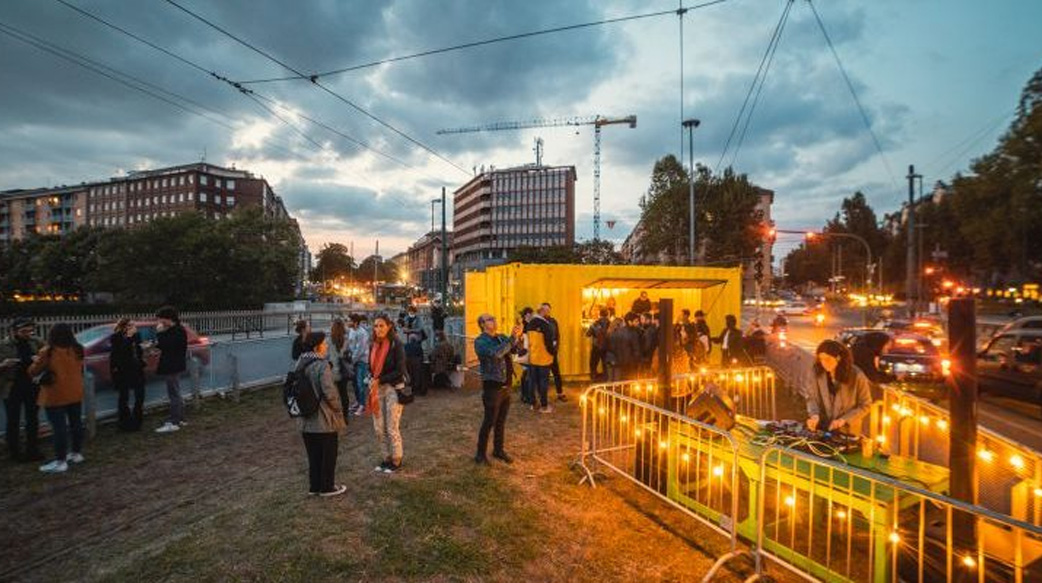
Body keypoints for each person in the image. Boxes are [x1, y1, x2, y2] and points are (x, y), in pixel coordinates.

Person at [295, 331, 347, 496]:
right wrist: (338, 409)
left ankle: (315, 486)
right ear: (317, 346)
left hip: (305, 418)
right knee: (328, 453)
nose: (326, 346)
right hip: (323, 418)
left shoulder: (300, 363)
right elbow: (329, 392)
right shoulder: (322, 365)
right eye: (324, 343)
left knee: (313, 455)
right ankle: (327, 487)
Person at [28, 324, 85, 473]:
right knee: (76, 424)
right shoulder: (78, 349)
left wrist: (35, 361)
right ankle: (76, 453)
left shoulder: (48, 351)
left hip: (55, 394)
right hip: (75, 391)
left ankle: (61, 461)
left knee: (59, 428)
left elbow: (33, 371)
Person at [473, 314, 523, 465]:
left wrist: (518, 338)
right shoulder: (480, 341)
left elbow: (515, 350)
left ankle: (498, 450)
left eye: (493, 318)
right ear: (482, 324)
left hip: (506, 385)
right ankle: (480, 455)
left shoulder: (501, 337)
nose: (494, 320)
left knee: (501, 421)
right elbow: (496, 354)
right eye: (489, 319)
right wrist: (511, 339)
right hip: (493, 387)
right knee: (489, 421)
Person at [806, 340, 873, 436]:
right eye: (821, 359)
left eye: (828, 359)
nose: (824, 363)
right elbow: (812, 398)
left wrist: (844, 420)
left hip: (848, 431)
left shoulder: (857, 375)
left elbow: (865, 405)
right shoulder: (817, 372)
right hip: (822, 427)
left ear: (838, 358)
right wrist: (814, 415)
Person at [0, 318, 45, 462]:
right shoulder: (3, 345)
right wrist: (3, 364)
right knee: (13, 420)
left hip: (32, 385)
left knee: (32, 418)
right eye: (24, 331)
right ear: (14, 331)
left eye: (30, 331)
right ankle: (14, 452)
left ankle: (32, 450)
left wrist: (39, 360)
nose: (27, 334)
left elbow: (47, 357)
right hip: (12, 386)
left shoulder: (36, 342)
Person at [369, 315, 408, 473]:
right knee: (379, 427)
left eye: (381, 326)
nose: (378, 329)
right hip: (377, 388)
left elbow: (400, 370)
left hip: (394, 386)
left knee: (392, 426)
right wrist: (371, 378)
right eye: (376, 326)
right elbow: (370, 366)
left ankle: (397, 459)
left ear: (389, 326)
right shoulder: (373, 345)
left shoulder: (396, 344)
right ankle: (385, 458)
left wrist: (380, 379)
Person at [154, 306, 188, 434]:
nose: (159, 322)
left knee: (173, 393)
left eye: (160, 319)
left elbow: (168, 346)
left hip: (172, 365)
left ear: (168, 318)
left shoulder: (177, 330)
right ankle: (180, 418)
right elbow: (165, 345)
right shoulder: (175, 329)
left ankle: (174, 422)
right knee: (176, 392)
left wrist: (159, 333)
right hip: (174, 364)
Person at [110, 318, 146, 431]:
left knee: (140, 395)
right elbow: (120, 352)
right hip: (123, 370)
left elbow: (139, 351)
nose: (133, 327)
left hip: (137, 368)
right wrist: (129, 337)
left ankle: (137, 421)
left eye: (134, 325)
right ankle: (125, 423)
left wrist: (144, 349)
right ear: (124, 327)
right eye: (130, 325)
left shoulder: (137, 335)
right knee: (124, 397)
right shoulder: (116, 337)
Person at [524, 306, 555, 413]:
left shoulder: (530, 324)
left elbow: (527, 341)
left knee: (532, 381)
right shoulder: (545, 325)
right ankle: (544, 405)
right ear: (542, 312)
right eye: (547, 311)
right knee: (543, 382)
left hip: (533, 357)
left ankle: (533, 404)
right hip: (544, 357)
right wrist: (553, 352)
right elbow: (549, 343)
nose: (548, 313)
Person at [538, 303, 566, 402]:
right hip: (543, 352)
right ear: (541, 310)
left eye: (548, 310)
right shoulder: (539, 322)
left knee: (556, 373)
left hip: (553, 352)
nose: (546, 311)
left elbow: (557, 335)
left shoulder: (553, 321)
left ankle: (560, 393)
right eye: (544, 309)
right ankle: (543, 396)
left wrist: (556, 348)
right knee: (543, 376)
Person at [328, 318, 352, 425]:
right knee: (344, 393)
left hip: (332, 371)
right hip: (343, 371)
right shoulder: (346, 340)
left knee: (333, 395)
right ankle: (345, 416)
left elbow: (326, 355)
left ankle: (335, 416)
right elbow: (349, 354)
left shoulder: (329, 340)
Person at [608, 312, 643, 382]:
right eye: (636, 321)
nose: (638, 323)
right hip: (630, 364)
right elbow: (636, 350)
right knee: (630, 382)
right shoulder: (634, 333)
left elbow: (612, 347)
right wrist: (638, 361)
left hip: (619, 363)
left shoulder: (617, 332)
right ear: (629, 322)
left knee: (620, 382)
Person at [347, 314, 371, 416]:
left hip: (361, 361)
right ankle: (358, 401)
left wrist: (352, 361)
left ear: (355, 322)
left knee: (360, 383)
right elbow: (350, 345)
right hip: (354, 360)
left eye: (349, 321)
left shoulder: (362, 333)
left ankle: (362, 405)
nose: (348, 322)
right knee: (355, 383)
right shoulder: (351, 331)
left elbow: (360, 349)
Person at [585, 309, 611, 382]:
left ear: (599, 314)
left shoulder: (595, 324)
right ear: (608, 315)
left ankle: (594, 379)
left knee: (593, 364)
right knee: (605, 364)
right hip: (607, 347)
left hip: (596, 346)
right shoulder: (611, 324)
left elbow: (587, 334)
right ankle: (606, 380)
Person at [403, 328, 427, 397]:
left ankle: (411, 389)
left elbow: (404, 354)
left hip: (408, 361)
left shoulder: (406, 346)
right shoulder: (418, 345)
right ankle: (416, 389)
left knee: (410, 375)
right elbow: (421, 355)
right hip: (416, 362)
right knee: (417, 376)